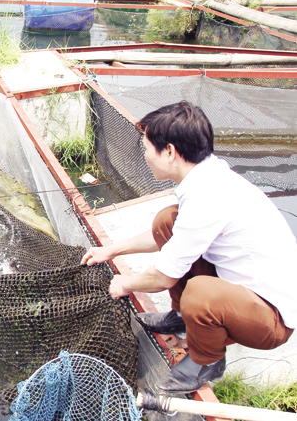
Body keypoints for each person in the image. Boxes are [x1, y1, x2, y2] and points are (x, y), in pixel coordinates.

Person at [81, 101, 297, 394]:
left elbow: (163, 276)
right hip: (242, 290)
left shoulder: (208, 196)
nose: (144, 155)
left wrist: (125, 284)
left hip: (271, 318)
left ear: (169, 152)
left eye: (146, 148)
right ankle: (182, 317)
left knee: (200, 293)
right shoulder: (205, 178)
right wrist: (112, 250)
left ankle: (207, 359)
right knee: (167, 221)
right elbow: (176, 237)